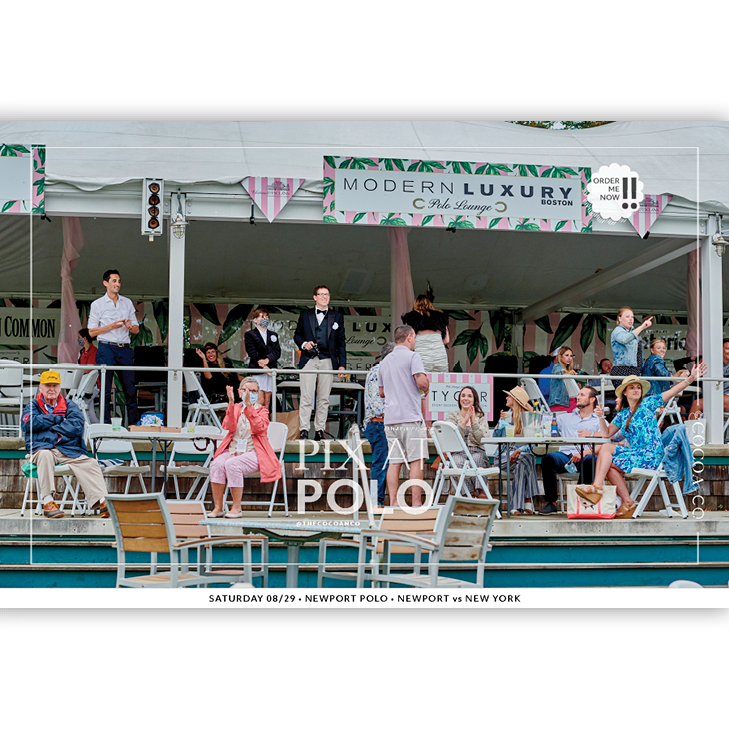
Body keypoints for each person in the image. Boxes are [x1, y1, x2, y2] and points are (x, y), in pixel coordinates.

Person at [578, 363, 705, 519]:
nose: (636, 390)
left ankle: (598, 487)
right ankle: (627, 501)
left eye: (638, 387)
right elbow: (607, 434)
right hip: (636, 454)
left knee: (606, 451)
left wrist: (690, 379)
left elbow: (671, 392)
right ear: (624, 392)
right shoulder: (623, 414)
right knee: (608, 458)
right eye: (632, 388)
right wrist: (600, 417)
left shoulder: (648, 403)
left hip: (652, 455)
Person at [22, 370, 109, 519]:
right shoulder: (33, 405)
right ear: (40, 388)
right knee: (45, 455)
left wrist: (47, 427)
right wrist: (57, 419)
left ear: (60, 387)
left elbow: (77, 426)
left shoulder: (70, 405)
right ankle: (48, 502)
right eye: (48, 385)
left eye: (55, 386)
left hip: (68, 450)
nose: (51, 389)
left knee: (91, 463)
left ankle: (103, 503)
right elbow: (28, 423)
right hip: (41, 448)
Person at [207, 377, 283, 519]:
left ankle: (236, 508)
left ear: (258, 393)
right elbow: (228, 426)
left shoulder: (262, 411)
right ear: (239, 392)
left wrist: (249, 407)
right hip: (233, 450)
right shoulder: (235, 408)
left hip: (254, 453)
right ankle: (218, 508)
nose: (249, 393)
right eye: (246, 390)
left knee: (232, 464)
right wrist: (230, 404)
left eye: (253, 391)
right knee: (216, 464)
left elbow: (259, 428)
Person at [378, 325, 429, 509]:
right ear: (409, 337)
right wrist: (427, 387)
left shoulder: (384, 362)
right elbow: (421, 382)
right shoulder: (413, 356)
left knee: (394, 462)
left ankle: (393, 502)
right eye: (414, 337)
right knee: (417, 461)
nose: (414, 341)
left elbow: (381, 392)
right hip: (410, 417)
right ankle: (416, 503)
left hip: (391, 419)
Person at [294, 285, 347, 440]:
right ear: (315, 297)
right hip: (309, 359)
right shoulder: (305, 315)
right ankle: (304, 429)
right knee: (306, 396)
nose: (325, 297)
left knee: (324, 398)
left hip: (328, 360)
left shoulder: (337, 316)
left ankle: (319, 430)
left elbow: (341, 342)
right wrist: (305, 344)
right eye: (321, 294)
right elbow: (297, 335)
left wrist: (342, 365)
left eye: (327, 294)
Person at [538, 386, 602, 515]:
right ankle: (552, 503)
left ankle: (580, 500)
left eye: (582, 395)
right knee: (548, 458)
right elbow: (541, 419)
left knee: (591, 460)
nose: (578, 397)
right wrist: (525, 405)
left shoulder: (599, 421)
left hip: (586, 456)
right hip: (565, 456)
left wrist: (584, 453)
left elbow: (604, 444)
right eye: (578, 394)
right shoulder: (566, 417)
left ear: (592, 400)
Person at [87, 269, 140, 425]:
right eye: (114, 281)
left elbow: (136, 329)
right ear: (105, 283)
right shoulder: (97, 304)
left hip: (124, 348)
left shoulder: (127, 302)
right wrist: (111, 326)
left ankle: (133, 425)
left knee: (130, 388)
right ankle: (106, 425)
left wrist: (129, 326)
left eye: (119, 281)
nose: (118, 284)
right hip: (106, 347)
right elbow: (91, 332)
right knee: (105, 389)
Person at [496, 386, 539, 516]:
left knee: (523, 463)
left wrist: (519, 450)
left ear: (516, 400)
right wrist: (500, 423)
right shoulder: (506, 416)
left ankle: (515, 506)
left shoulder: (528, 419)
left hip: (520, 458)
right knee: (529, 458)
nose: (506, 398)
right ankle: (527, 499)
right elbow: (495, 438)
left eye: (509, 396)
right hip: (503, 457)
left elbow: (533, 443)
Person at [363, 342, 396, 507]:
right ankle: (375, 502)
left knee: (384, 463)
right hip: (379, 423)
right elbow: (378, 406)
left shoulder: (378, 371)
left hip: (380, 424)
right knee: (381, 463)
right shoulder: (378, 373)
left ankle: (378, 501)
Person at [444, 386, 491, 499]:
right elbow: (451, 438)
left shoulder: (480, 417)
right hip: (458, 451)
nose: (466, 398)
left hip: (477, 450)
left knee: (477, 459)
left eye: (469, 396)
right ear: (459, 399)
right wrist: (464, 422)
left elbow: (481, 439)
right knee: (456, 462)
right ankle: (468, 493)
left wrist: (473, 422)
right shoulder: (452, 416)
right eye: (463, 395)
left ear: (474, 400)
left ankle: (480, 492)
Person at [401, 293, 450, 373]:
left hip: (421, 354)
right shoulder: (441, 317)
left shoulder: (411, 318)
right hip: (439, 355)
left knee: (420, 379)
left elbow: (408, 341)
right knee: (441, 379)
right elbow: (446, 340)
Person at [244, 307, 281, 412]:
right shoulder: (250, 334)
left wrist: (267, 360)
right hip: (258, 371)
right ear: (255, 320)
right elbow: (252, 351)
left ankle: (265, 420)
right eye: (262, 317)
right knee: (259, 400)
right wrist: (264, 366)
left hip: (270, 370)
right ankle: (257, 421)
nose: (265, 319)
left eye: (266, 317)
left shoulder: (273, 335)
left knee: (267, 402)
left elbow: (277, 351)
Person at [688, 339, 729, 419]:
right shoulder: (713, 363)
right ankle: (693, 427)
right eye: (727, 348)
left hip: (726, 396)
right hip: (717, 396)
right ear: (720, 350)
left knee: (697, 403)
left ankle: (690, 427)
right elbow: (695, 378)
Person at [610, 307, 653, 379]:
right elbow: (624, 339)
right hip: (622, 369)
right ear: (620, 318)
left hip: (634, 370)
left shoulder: (631, 332)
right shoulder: (618, 331)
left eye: (632, 317)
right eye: (627, 317)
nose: (631, 319)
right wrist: (642, 327)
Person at [77, 328, 99, 424]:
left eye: (79, 337)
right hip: (84, 385)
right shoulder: (82, 352)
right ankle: (98, 429)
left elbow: (89, 369)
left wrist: (78, 372)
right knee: (90, 413)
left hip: (93, 385)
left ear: (84, 338)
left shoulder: (94, 351)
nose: (78, 339)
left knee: (81, 406)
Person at [548, 346, 577, 412]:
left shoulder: (568, 369)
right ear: (560, 357)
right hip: (559, 403)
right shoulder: (557, 367)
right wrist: (567, 373)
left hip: (570, 402)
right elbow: (560, 372)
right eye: (566, 355)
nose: (569, 358)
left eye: (571, 356)